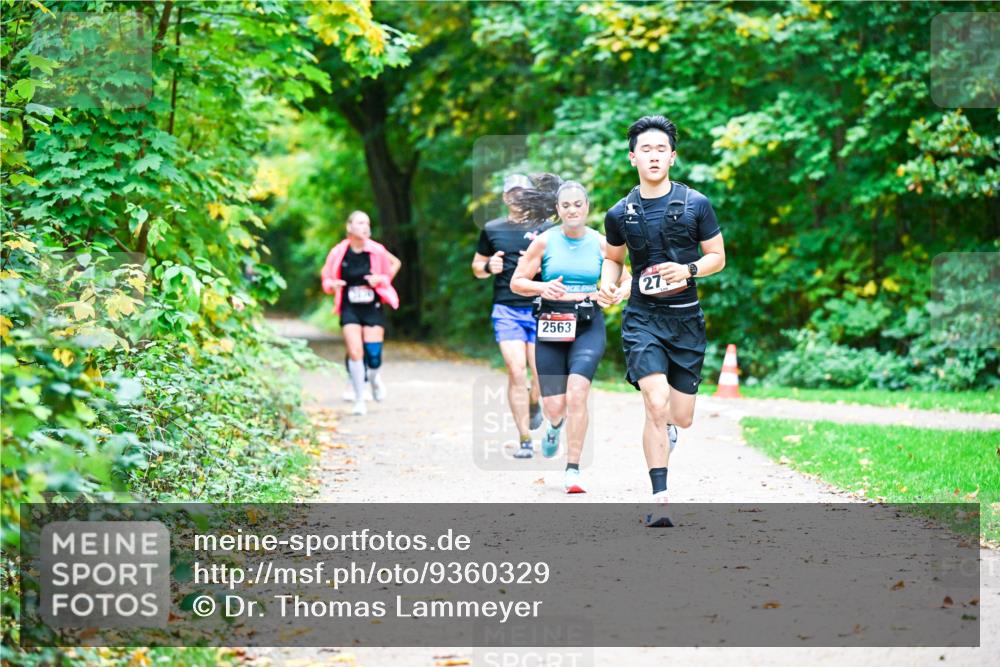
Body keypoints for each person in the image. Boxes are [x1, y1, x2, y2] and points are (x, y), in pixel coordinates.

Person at [598, 115, 726, 510]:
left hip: (686, 319)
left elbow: (717, 258)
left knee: (680, 416)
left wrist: (687, 269)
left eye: (661, 150)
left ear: (672, 158)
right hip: (642, 319)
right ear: (632, 157)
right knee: (654, 402)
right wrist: (609, 284)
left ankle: (669, 426)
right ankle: (660, 496)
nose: (653, 156)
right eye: (645, 150)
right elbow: (614, 261)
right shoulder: (619, 213)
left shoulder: (696, 205)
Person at [511, 181, 630, 492]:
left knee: (578, 393)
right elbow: (517, 282)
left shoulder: (603, 244)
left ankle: (573, 469)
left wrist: (615, 293)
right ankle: (553, 426)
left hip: (588, 326)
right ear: (558, 210)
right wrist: (542, 287)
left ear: (587, 208)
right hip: (551, 324)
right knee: (554, 406)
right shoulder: (544, 242)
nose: (572, 210)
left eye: (578, 204)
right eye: (566, 205)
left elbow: (628, 279)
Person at [471, 174, 558, 458]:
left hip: (539, 308)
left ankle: (535, 405)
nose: (517, 197)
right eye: (512, 192)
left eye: (523, 192)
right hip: (506, 309)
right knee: (516, 371)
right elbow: (477, 266)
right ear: (505, 197)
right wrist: (489, 267)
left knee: (540, 374)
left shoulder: (546, 229)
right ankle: (524, 439)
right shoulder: (492, 229)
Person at [321, 210, 402, 416]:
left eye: (367, 223)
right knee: (355, 351)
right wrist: (333, 284)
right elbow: (326, 279)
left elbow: (387, 274)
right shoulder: (338, 252)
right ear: (349, 227)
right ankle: (359, 398)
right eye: (359, 223)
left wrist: (379, 280)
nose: (365, 227)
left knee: (373, 355)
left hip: (372, 306)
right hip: (349, 306)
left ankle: (374, 379)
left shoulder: (378, 251)